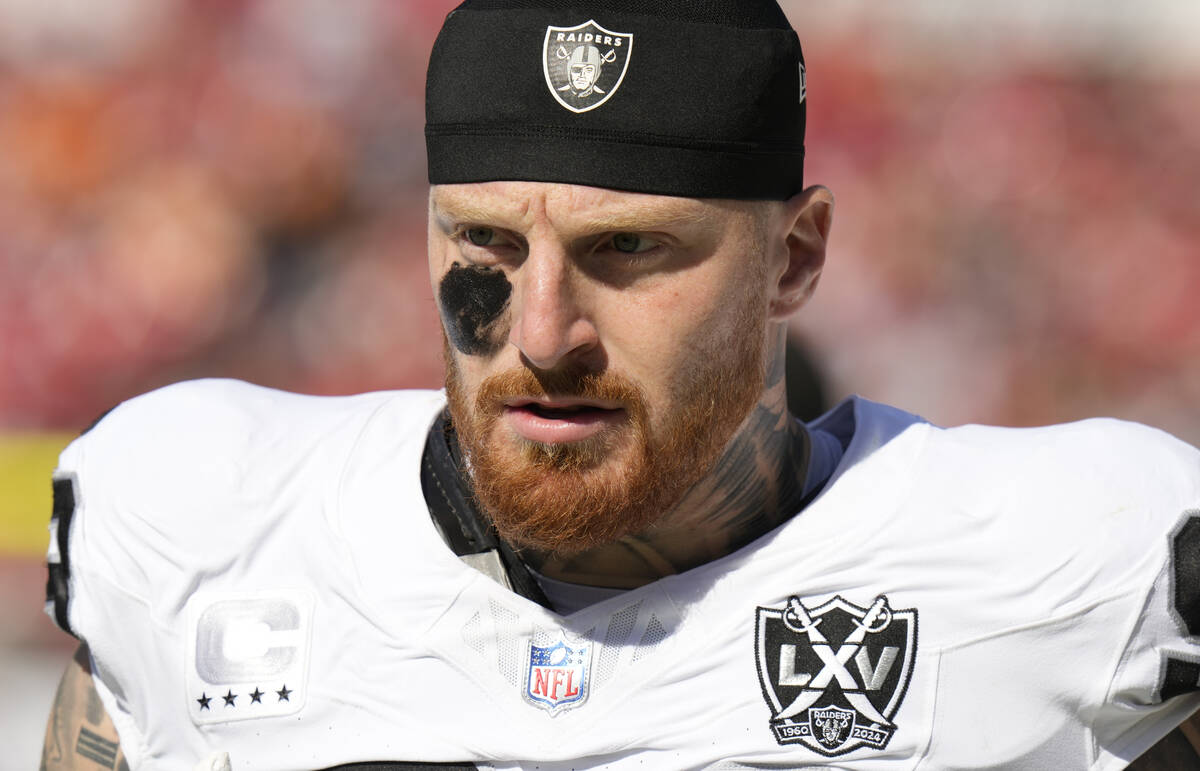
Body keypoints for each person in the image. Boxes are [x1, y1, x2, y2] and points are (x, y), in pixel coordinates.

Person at [40, 1, 1200, 768]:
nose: (545, 333)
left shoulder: (1070, 562)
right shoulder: (203, 517)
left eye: (628, 251)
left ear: (794, 259)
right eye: (487, 243)